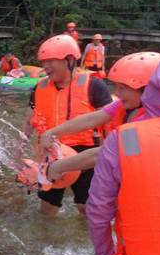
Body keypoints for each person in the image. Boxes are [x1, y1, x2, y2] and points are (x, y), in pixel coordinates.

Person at [87, 57, 160, 255]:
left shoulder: (129, 137)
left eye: (123, 87)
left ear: (151, 89)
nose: (118, 94)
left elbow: (98, 209)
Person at [21, 34, 112, 216]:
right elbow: (29, 118)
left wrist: (111, 156)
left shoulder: (93, 85)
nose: (45, 67)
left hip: (85, 153)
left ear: (69, 60)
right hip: (51, 153)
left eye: (51, 61)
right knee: (47, 209)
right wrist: (20, 146)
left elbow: (109, 119)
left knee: (85, 208)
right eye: (43, 61)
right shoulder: (39, 88)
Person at [41, 52, 160, 180]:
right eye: (116, 87)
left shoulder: (147, 123)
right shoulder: (124, 105)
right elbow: (91, 119)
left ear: (147, 89)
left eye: (122, 88)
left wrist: (57, 167)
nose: (116, 93)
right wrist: (51, 132)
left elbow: (102, 154)